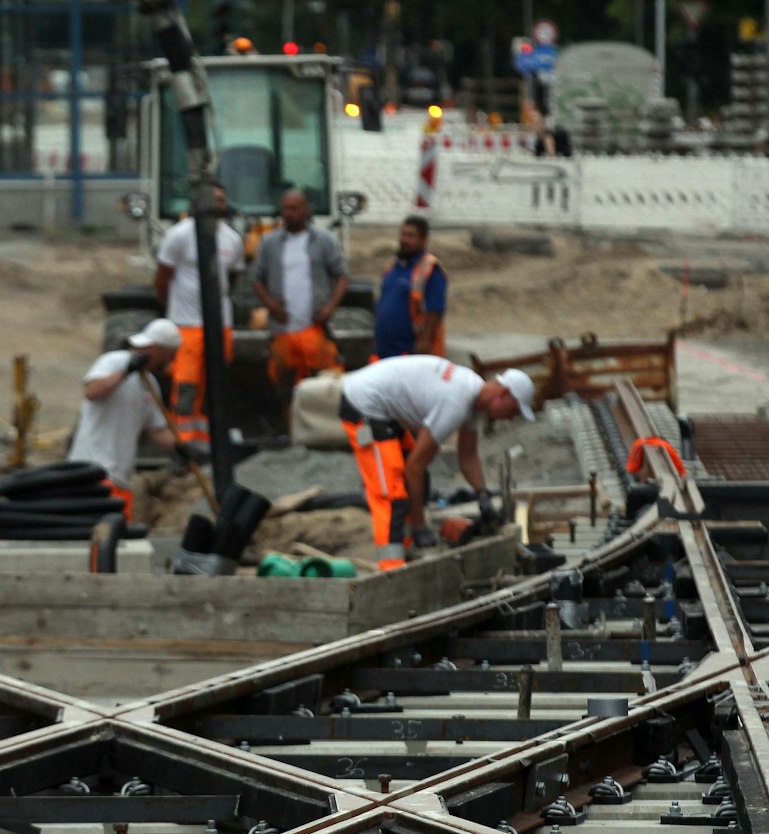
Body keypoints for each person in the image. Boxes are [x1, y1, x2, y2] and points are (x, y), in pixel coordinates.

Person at [332, 355, 535, 571]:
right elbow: (414, 468)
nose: (511, 418)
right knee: (391, 492)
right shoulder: (456, 401)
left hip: (384, 408)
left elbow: (467, 454)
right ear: (503, 394)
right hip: (364, 404)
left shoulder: (473, 396)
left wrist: (482, 494)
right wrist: (421, 525)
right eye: (514, 410)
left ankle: (407, 547)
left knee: (418, 480)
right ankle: (391, 567)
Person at [153, 182, 241, 451]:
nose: (220, 204)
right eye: (214, 199)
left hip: (220, 326)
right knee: (187, 385)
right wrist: (174, 310)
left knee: (214, 384)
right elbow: (162, 278)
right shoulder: (179, 235)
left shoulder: (232, 239)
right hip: (187, 326)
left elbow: (232, 278)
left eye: (223, 199)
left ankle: (209, 442)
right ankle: (183, 444)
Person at [69, 318, 182, 521]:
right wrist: (126, 370)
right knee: (95, 534)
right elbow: (92, 391)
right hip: (91, 472)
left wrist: (182, 447)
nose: (170, 362)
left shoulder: (150, 384)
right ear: (159, 349)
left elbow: (156, 430)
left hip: (121, 478)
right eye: (169, 356)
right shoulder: (114, 361)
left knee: (116, 540)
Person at [252, 186, 347, 392]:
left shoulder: (323, 240)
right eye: (285, 208)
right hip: (282, 330)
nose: (288, 213)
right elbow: (256, 277)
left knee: (321, 387)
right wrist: (270, 304)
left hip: (314, 328)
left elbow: (341, 275)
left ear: (305, 210)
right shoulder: (269, 242)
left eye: (293, 208)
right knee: (285, 387)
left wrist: (330, 307)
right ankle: (288, 423)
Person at [375, 215, 447, 359]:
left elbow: (435, 309)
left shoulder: (431, 269)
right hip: (385, 349)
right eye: (402, 234)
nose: (404, 240)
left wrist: (424, 341)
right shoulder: (393, 267)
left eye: (410, 236)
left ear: (423, 240)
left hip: (410, 350)